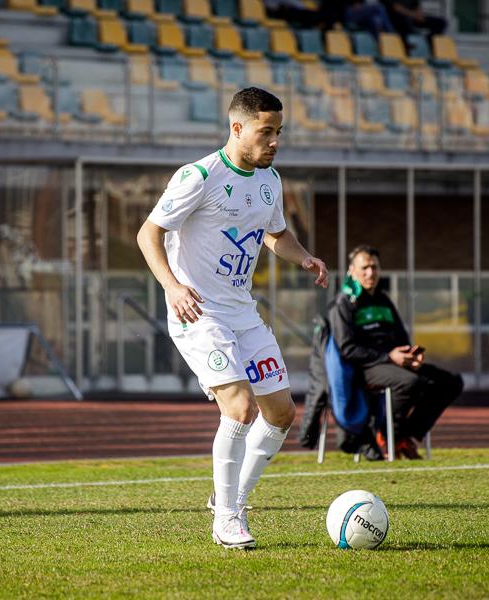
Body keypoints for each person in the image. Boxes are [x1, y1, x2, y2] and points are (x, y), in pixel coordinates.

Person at [136, 87, 328, 549]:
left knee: (281, 413)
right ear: (237, 128)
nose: (275, 141)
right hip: (199, 314)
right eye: (266, 132)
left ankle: (231, 496)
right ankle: (226, 518)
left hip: (244, 313)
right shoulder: (199, 176)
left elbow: (275, 234)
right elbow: (148, 234)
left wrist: (302, 257)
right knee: (240, 408)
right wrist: (173, 286)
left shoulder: (270, 181)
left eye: (279, 132)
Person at [328, 245, 462, 459]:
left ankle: (405, 435)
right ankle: (389, 435)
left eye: (374, 267)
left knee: (450, 382)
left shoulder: (383, 299)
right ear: (352, 271)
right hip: (366, 368)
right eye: (365, 268)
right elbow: (348, 349)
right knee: (410, 383)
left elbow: (401, 338)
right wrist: (388, 357)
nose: (370, 273)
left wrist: (411, 356)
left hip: (396, 362)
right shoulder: (344, 302)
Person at [381, 0, 447, 42]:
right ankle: (407, 46)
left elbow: (416, 5)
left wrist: (419, 14)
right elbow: (397, 8)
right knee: (404, 20)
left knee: (440, 23)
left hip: (412, 17)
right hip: (395, 19)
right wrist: (413, 15)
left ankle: (428, 43)